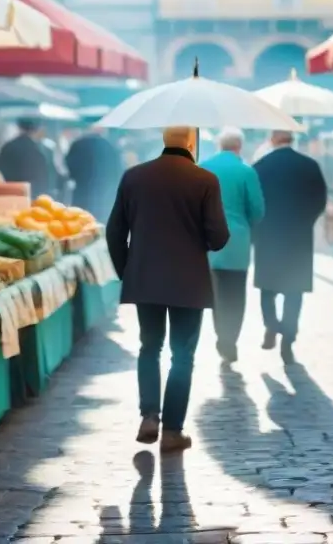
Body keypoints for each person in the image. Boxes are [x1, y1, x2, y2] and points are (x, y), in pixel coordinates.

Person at [106, 126, 229, 450]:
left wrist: (127, 271)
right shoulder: (205, 180)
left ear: (164, 139)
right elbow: (218, 238)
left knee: (149, 347)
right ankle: (173, 430)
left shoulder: (133, 177)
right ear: (191, 142)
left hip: (145, 278)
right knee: (182, 354)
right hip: (189, 283)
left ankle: (149, 415)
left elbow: (114, 231)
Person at [252, 129, 328, 363]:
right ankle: (288, 337)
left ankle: (272, 325)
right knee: (294, 291)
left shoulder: (260, 166)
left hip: (268, 236)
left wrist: (258, 229)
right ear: (291, 139)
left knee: (267, 288)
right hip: (298, 237)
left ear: (273, 138)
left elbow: (254, 202)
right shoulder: (309, 165)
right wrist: (307, 221)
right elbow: (320, 199)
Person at [200, 128, 266, 363]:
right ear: (239, 146)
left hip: (209, 240)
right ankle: (230, 339)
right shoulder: (246, 171)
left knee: (216, 291)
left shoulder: (203, 168)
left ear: (219, 145)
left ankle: (221, 336)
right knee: (236, 292)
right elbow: (258, 210)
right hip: (237, 239)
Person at [66, 124, 124, 222]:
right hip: (104, 191)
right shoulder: (109, 145)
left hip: (82, 189)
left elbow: (69, 165)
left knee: (80, 219)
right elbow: (117, 170)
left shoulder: (77, 144)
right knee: (101, 221)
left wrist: (77, 178)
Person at [0, 119, 54, 199]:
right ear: (35, 129)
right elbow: (43, 178)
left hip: (9, 196)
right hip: (31, 197)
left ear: (19, 127)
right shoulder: (39, 149)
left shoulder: (8, 147)